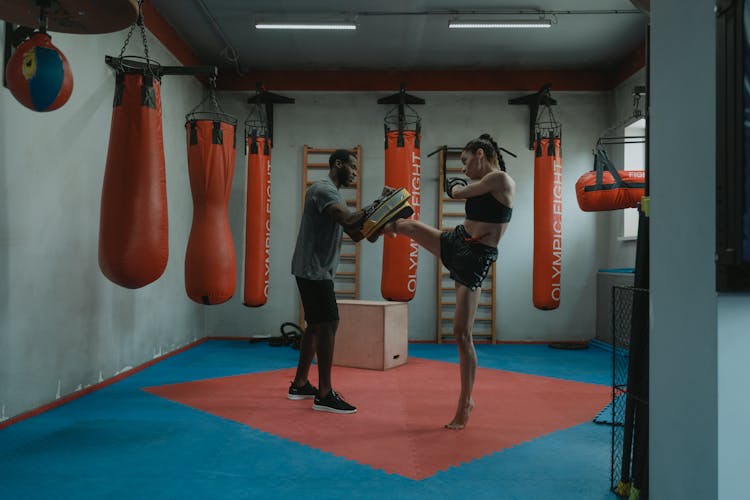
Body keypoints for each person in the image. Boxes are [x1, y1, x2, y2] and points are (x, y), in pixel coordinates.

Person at [384, 133, 515, 429]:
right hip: (458, 240)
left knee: (461, 334)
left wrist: (455, 185)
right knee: (410, 226)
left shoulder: (501, 180)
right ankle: (379, 221)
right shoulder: (482, 183)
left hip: (475, 258)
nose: (464, 168)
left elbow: (457, 194)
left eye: (466, 162)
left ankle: (465, 402)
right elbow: (462, 194)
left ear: (481, 154)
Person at [288, 149, 375, 414]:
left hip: (315, 269)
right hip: (313, 269)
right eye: (353, 168)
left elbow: (357, 233)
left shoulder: (335, 195)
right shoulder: (323, 189)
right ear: (338, 164)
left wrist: (381, 222)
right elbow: (349, 219)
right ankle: (324, 393)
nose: (355, 174)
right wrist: (378, 204)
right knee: (328, 323)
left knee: (316, 325)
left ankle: (300, 383)